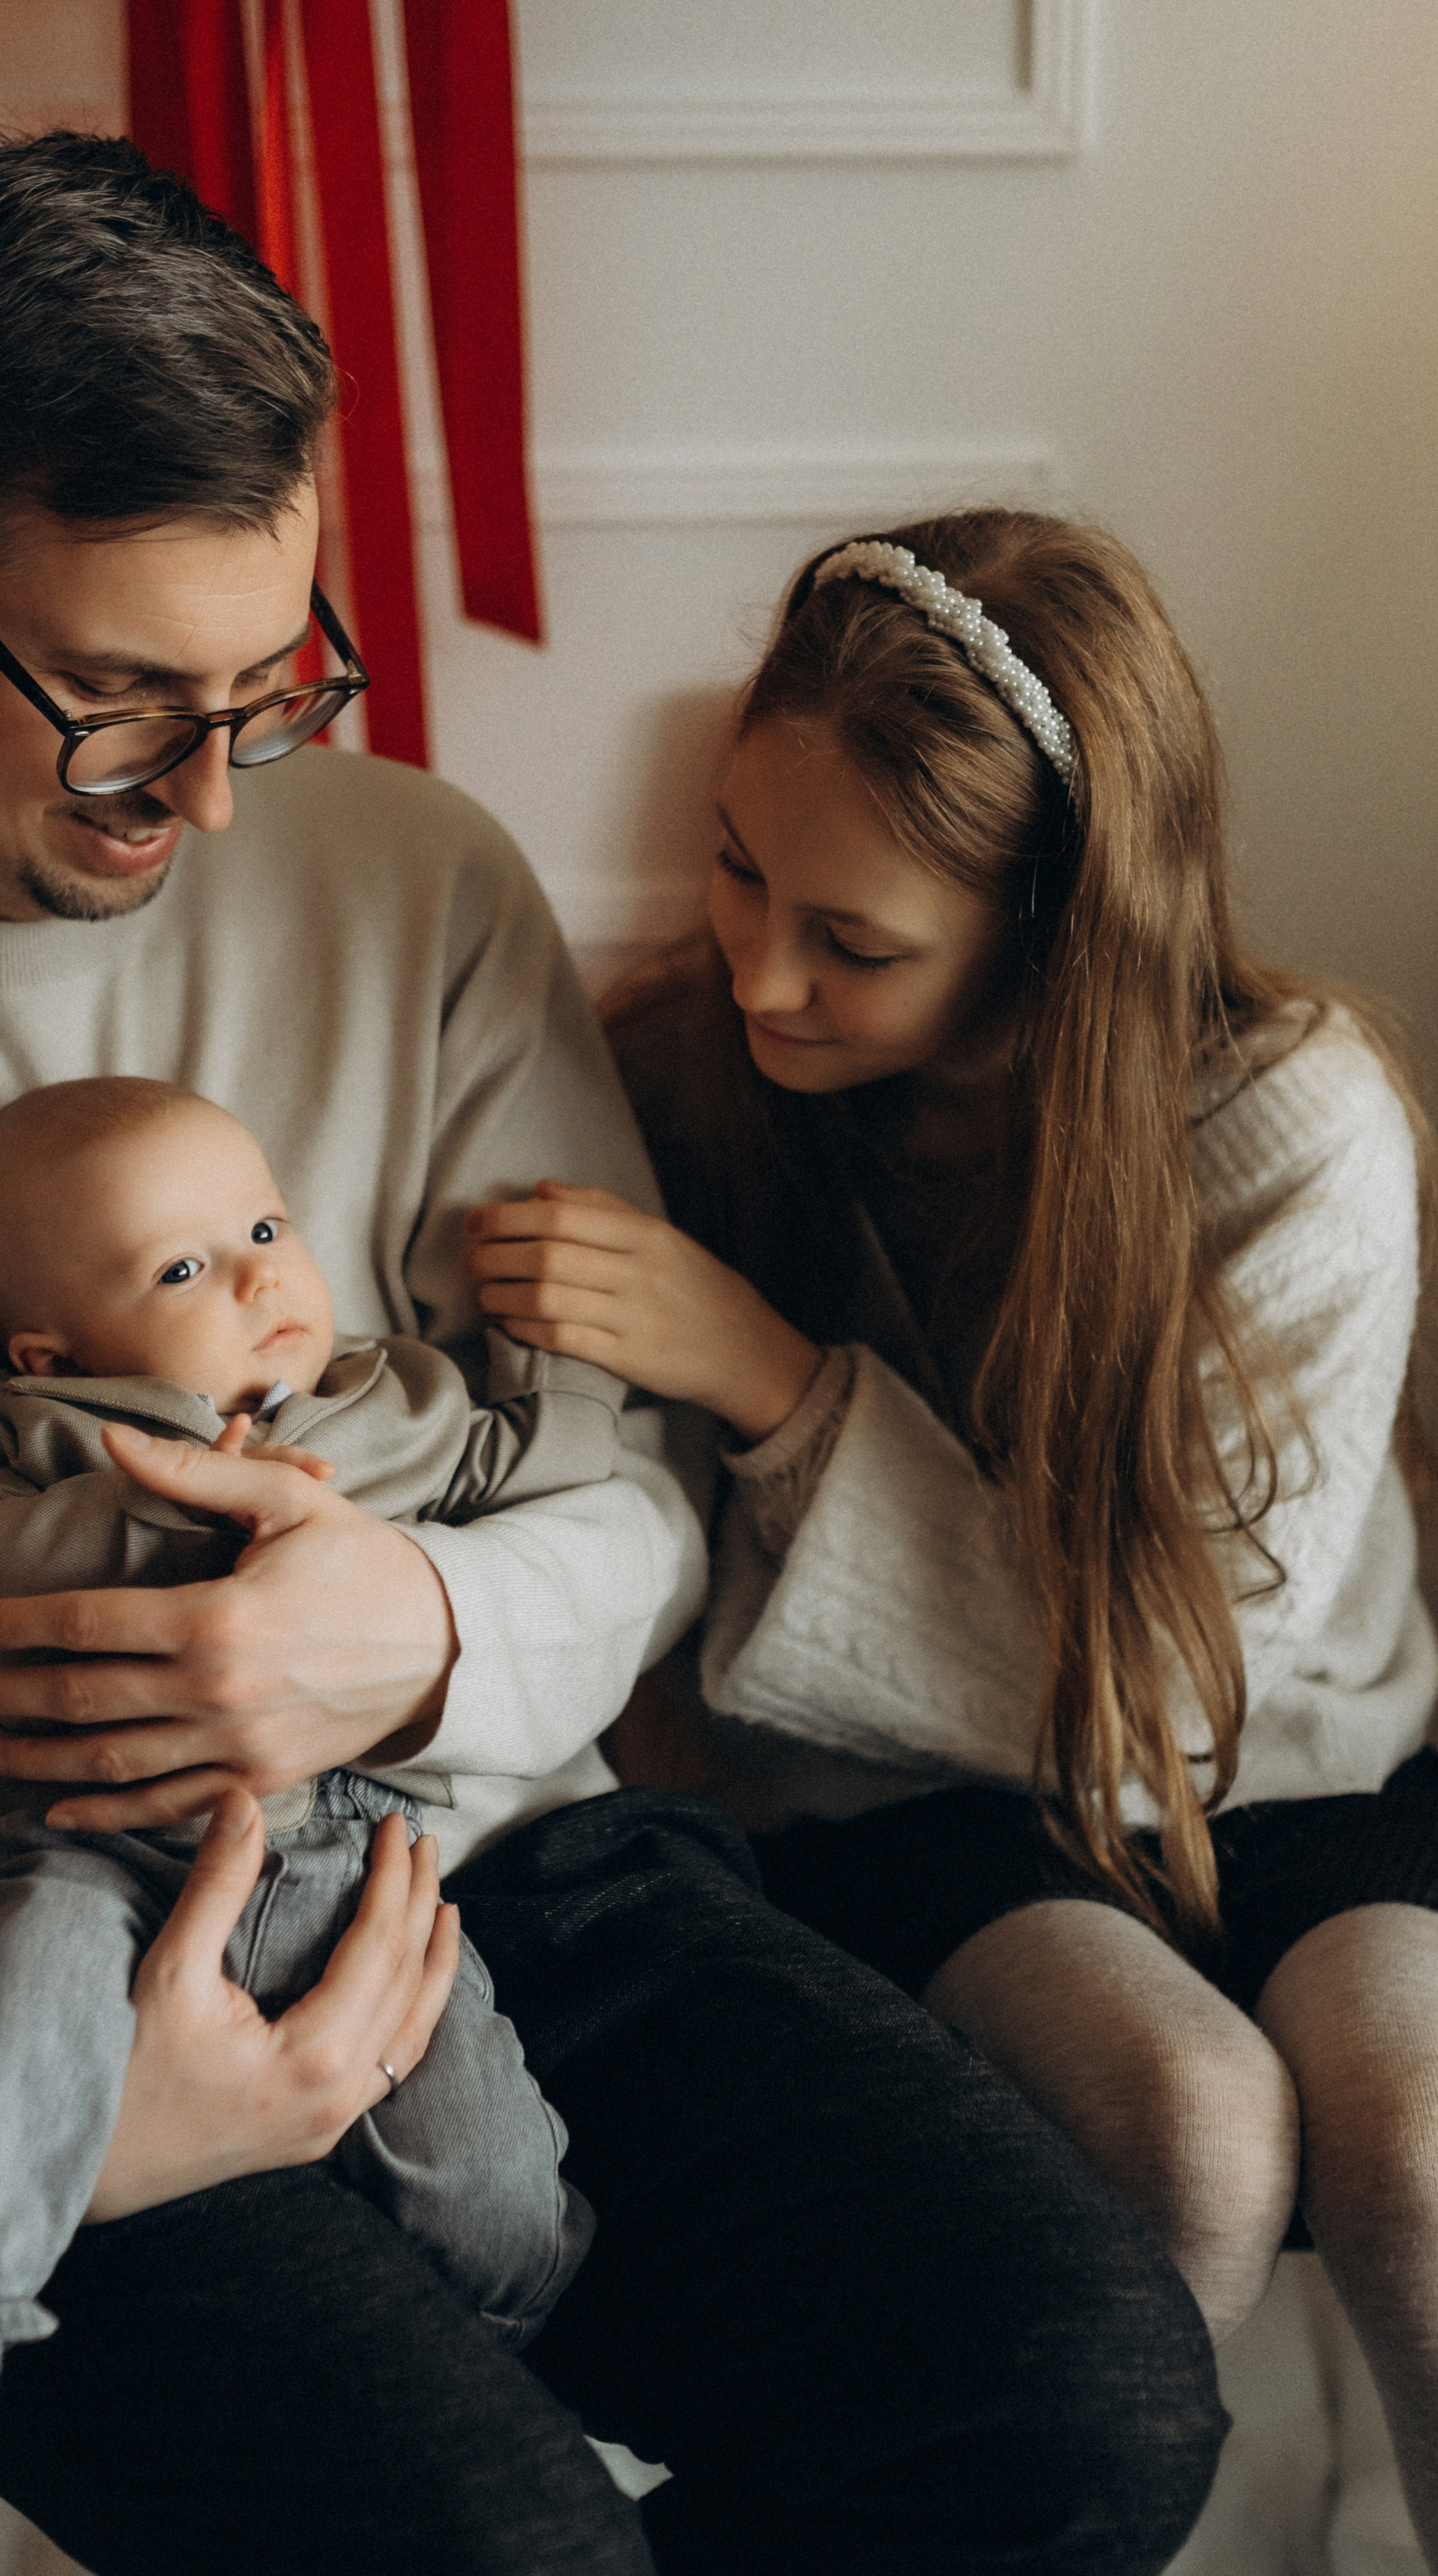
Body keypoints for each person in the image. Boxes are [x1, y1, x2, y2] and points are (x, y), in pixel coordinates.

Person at [0, 133, 1225, 2576]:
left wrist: (426, 1635)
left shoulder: (416, 884)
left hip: (516, 1867)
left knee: (1083, 2399)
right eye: (115, 705)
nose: (204, 794)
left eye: (262, 686)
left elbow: (630, 1484)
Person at [468, 512, 1438, 2562]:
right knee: (1191, 2122)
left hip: (1288, 1752)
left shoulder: (1292, 1129)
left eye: (858, 940)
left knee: (1418, 2130)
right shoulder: (681, 1078)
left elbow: (1163, 1697)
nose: (760, 969)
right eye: (738, 865)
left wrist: (778, 1381)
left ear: (1059, 923)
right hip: (906, 1781)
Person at [0, 1075, 621, 2480]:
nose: (263, 1279)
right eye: (187, 1268)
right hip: (98, 1852)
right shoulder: (23, 1441)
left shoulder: (391, 1398)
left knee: (487, 2162)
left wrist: (564, 1353)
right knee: (6, 2012)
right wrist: (166, 1488)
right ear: (49, 1346)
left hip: (361, 1862)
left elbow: (540, 1458)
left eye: (265, 1226)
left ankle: (505, 2351)